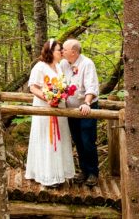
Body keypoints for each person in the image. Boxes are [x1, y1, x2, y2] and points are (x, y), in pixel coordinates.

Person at [25, 39, 75, 187]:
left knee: (59, 139)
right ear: (50, 51)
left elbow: (61, 86)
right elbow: (33, 87)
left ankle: (59, 173)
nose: (61, 52)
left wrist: (60, 95)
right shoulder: (40, 67)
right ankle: (47, 175)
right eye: (59, 50)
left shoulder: (59, 67)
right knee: (47, 138)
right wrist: (47, 97)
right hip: (44, 108)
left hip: (59, 109)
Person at [60, 38, 100, 187]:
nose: (62, 51)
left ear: (74, 52)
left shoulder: (87, 63)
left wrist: (87, 103)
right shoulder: (64, 64)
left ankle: (93, 173)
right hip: (71, 110)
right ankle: (83, 171)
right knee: (77, 140)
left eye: (64, 49)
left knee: (87, 140)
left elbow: (92, 86)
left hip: (86, 108)